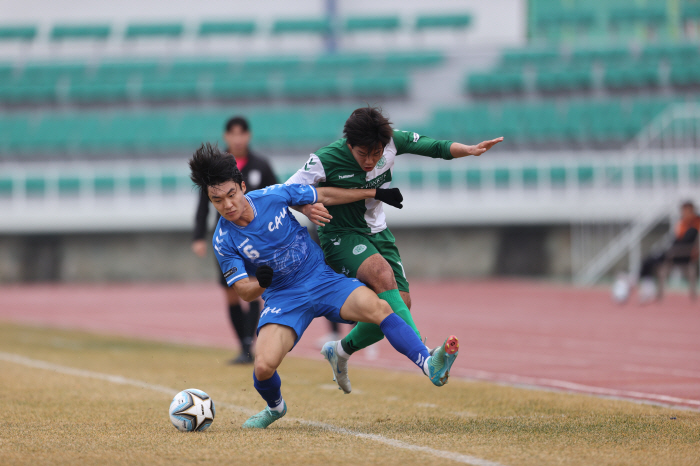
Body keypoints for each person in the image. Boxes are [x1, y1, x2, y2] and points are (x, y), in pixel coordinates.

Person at [188, 143, 460, 429]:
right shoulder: (223, 239)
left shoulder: (273, 195)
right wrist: (261, 285)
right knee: (263, 366)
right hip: (283, 298)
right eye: (217, 200)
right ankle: (275, 408)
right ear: (210, 200)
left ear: (242, 186)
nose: (228, 205)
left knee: (382, 307)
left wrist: (375, 192)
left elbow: (325, 194)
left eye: (231, 194)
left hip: (320, 278)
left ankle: (429, 364)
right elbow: (243, 290)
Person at [286, 105, 502, 393]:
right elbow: (285, 192)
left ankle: (339, 351)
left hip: (379, 234)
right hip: (341, 235)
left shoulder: (391, 142)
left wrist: (470, 150)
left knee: (399, 305)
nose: (370, 161)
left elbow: (434, 147)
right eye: (363, 154)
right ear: (349, 145)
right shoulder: (324, 160)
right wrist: (307, 207)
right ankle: (427, 360)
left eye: (375, 155)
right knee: (381, 272)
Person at [192, 116, 277, 365]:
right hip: (228, 242)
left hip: (255, 240)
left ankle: (251, 344)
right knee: (231, 293)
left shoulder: (261, 165)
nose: (238, 139)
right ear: (226, 136)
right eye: (233, 134)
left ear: (248, 136)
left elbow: (274, 195)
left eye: (242, 134)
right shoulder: (214, 170)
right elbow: (202, 206)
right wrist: (198, 236)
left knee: (253, 286)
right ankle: (242, 343)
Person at [638, 201, 700, 302]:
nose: (683, 212)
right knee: (649, 260)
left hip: (681, 254)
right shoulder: (683, 223)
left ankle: (644, 286)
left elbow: (685, 241)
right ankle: (646, 286)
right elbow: (677, 240)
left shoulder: (694, 223)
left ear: (691, 210)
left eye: (685, 210)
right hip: (674, 252)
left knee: (649, 260)